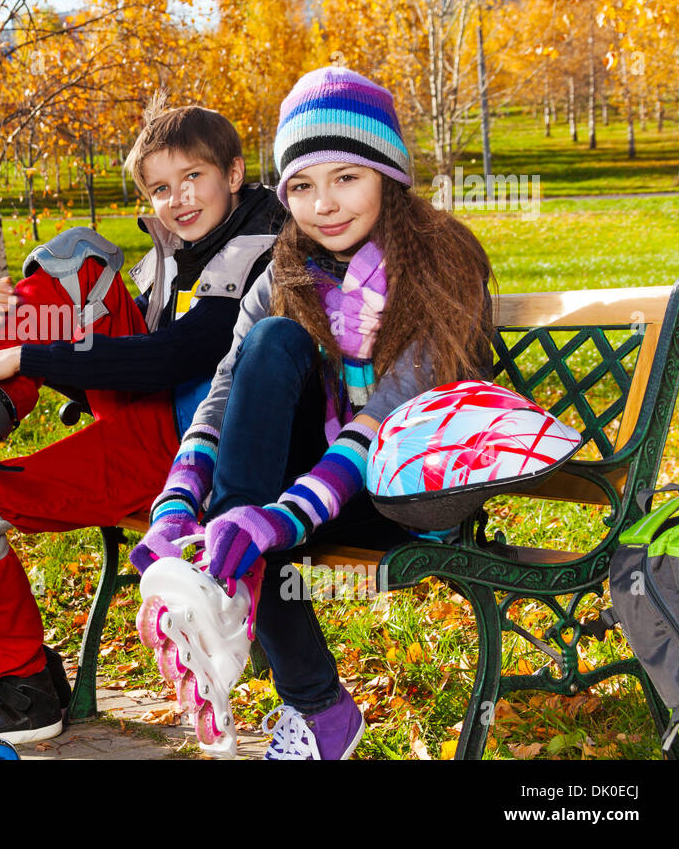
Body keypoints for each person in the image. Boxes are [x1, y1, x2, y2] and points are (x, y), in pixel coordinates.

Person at [0, 102, 287, 745]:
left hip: (200, 460)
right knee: (80, 264)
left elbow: (181, 356)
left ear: (234, 173)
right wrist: (14, 329)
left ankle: (20, 687)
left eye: (192, 178)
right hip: (154, 424)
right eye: (158, 188)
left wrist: (24, 351)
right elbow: (112, 363)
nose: (176, 199)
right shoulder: (178, 252)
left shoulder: (267, 249)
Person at [131, 66, 495, 760]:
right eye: (301, 185)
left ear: (388, 174)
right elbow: (226, 392)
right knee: (270, 346)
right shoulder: (286, 271)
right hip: (330, 488)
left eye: (345, 178)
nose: (322, 205)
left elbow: (386, 419)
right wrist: (178, 504)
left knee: (252, 529)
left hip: (418, 491)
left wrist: (273, 517)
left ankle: (225, 583)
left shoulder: (444, 263)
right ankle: (309, 694)